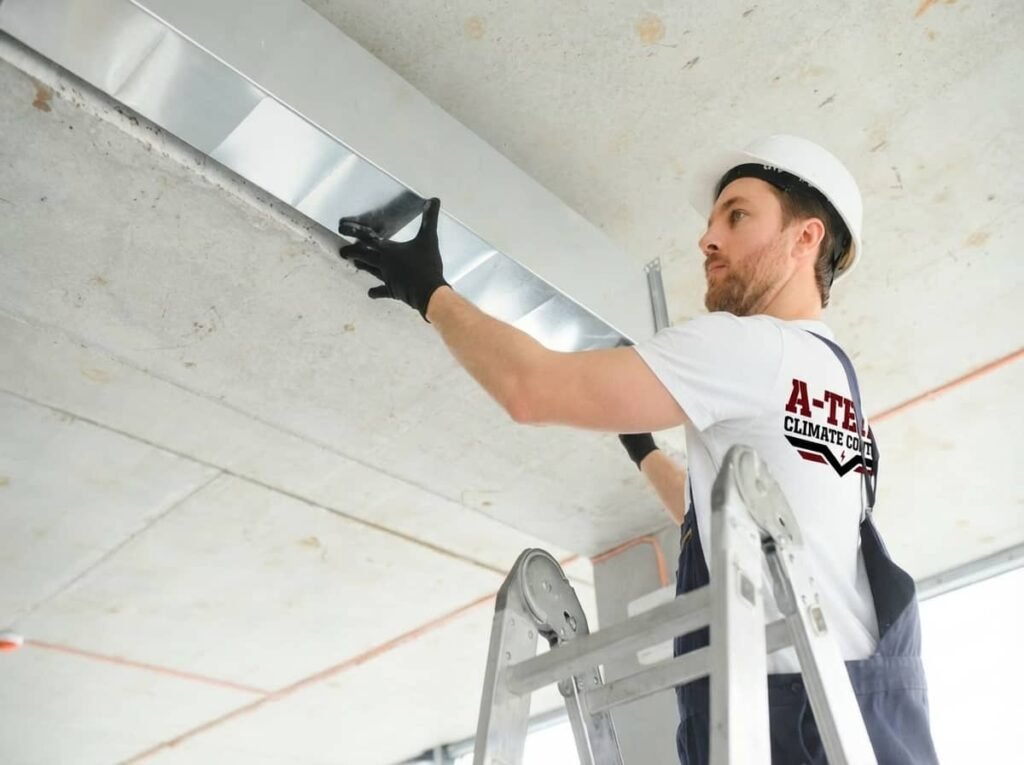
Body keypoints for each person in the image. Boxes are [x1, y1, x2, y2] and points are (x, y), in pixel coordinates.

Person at [338, 134, 938, 763]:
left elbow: (531, 390)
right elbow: (737, 524)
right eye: (711, 223)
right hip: (867, 725)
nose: (708, 239)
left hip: (786, 725)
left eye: (737, 216)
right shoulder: (836, 388)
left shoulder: (748, 347)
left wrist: (429, 292)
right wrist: (644, 452)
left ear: (806, 238)